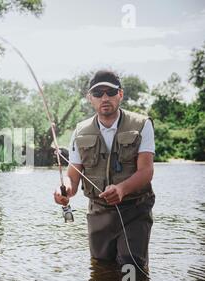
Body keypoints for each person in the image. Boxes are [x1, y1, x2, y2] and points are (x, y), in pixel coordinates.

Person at [54, 70, 156, 268]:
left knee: (130, 269)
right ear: (90, 98)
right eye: (98, 93)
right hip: (98, 213)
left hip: (135, 210)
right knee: (101, 270)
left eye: (110, 92)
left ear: (120, 94)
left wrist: (122, 189)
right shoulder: (80, 131)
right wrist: (64, 190)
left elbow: (146, 171)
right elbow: (73, 178)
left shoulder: (142, 125)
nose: (105, 98)